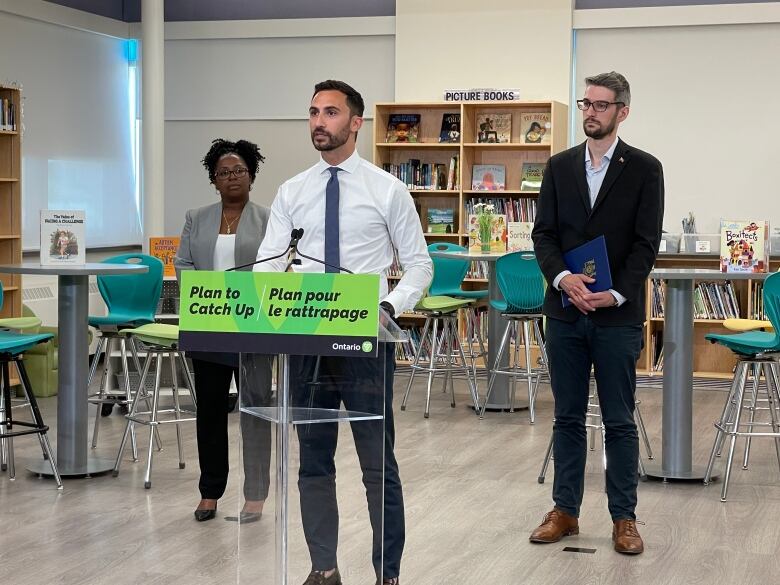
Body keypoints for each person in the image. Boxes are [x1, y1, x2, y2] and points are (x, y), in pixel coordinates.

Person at [254, 80, 432, 585]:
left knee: (377, 465)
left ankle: (387, 574)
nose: (318, 121)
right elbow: (267, 267)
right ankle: (322, 568)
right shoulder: (292, 191)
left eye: (330, 112)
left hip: (365, 343)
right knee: (312, 463)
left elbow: (419, 267)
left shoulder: (387, 189)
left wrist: (387, 306)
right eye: (312, 112)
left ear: (355, 123)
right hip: (305, 343)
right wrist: (280, 287)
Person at [530, 71, 664, 555]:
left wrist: (616, 295)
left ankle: (624, 518)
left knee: (619, 421)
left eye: (601, 105)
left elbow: (646, 245)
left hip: (615, 318)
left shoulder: (645, 169)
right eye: (586, 103)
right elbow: (543, 235)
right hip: (565, 313)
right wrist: (563, 279)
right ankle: (565, 511)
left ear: (622, 112)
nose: (590, 112)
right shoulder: (559, 167)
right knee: (566, 417)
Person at [174, 138, 273, 524]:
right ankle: (210, 492)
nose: (232, 177)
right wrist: (212, 294)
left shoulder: (269, 218)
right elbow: (183, 264)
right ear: (213, 180)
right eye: (224, 172)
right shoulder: (196, 217)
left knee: (256, 410)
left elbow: (277, 267)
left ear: (251, 175)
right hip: (209, 326)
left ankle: (255, 496)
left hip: (255, 326)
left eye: (239, 171)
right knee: (210, 412)